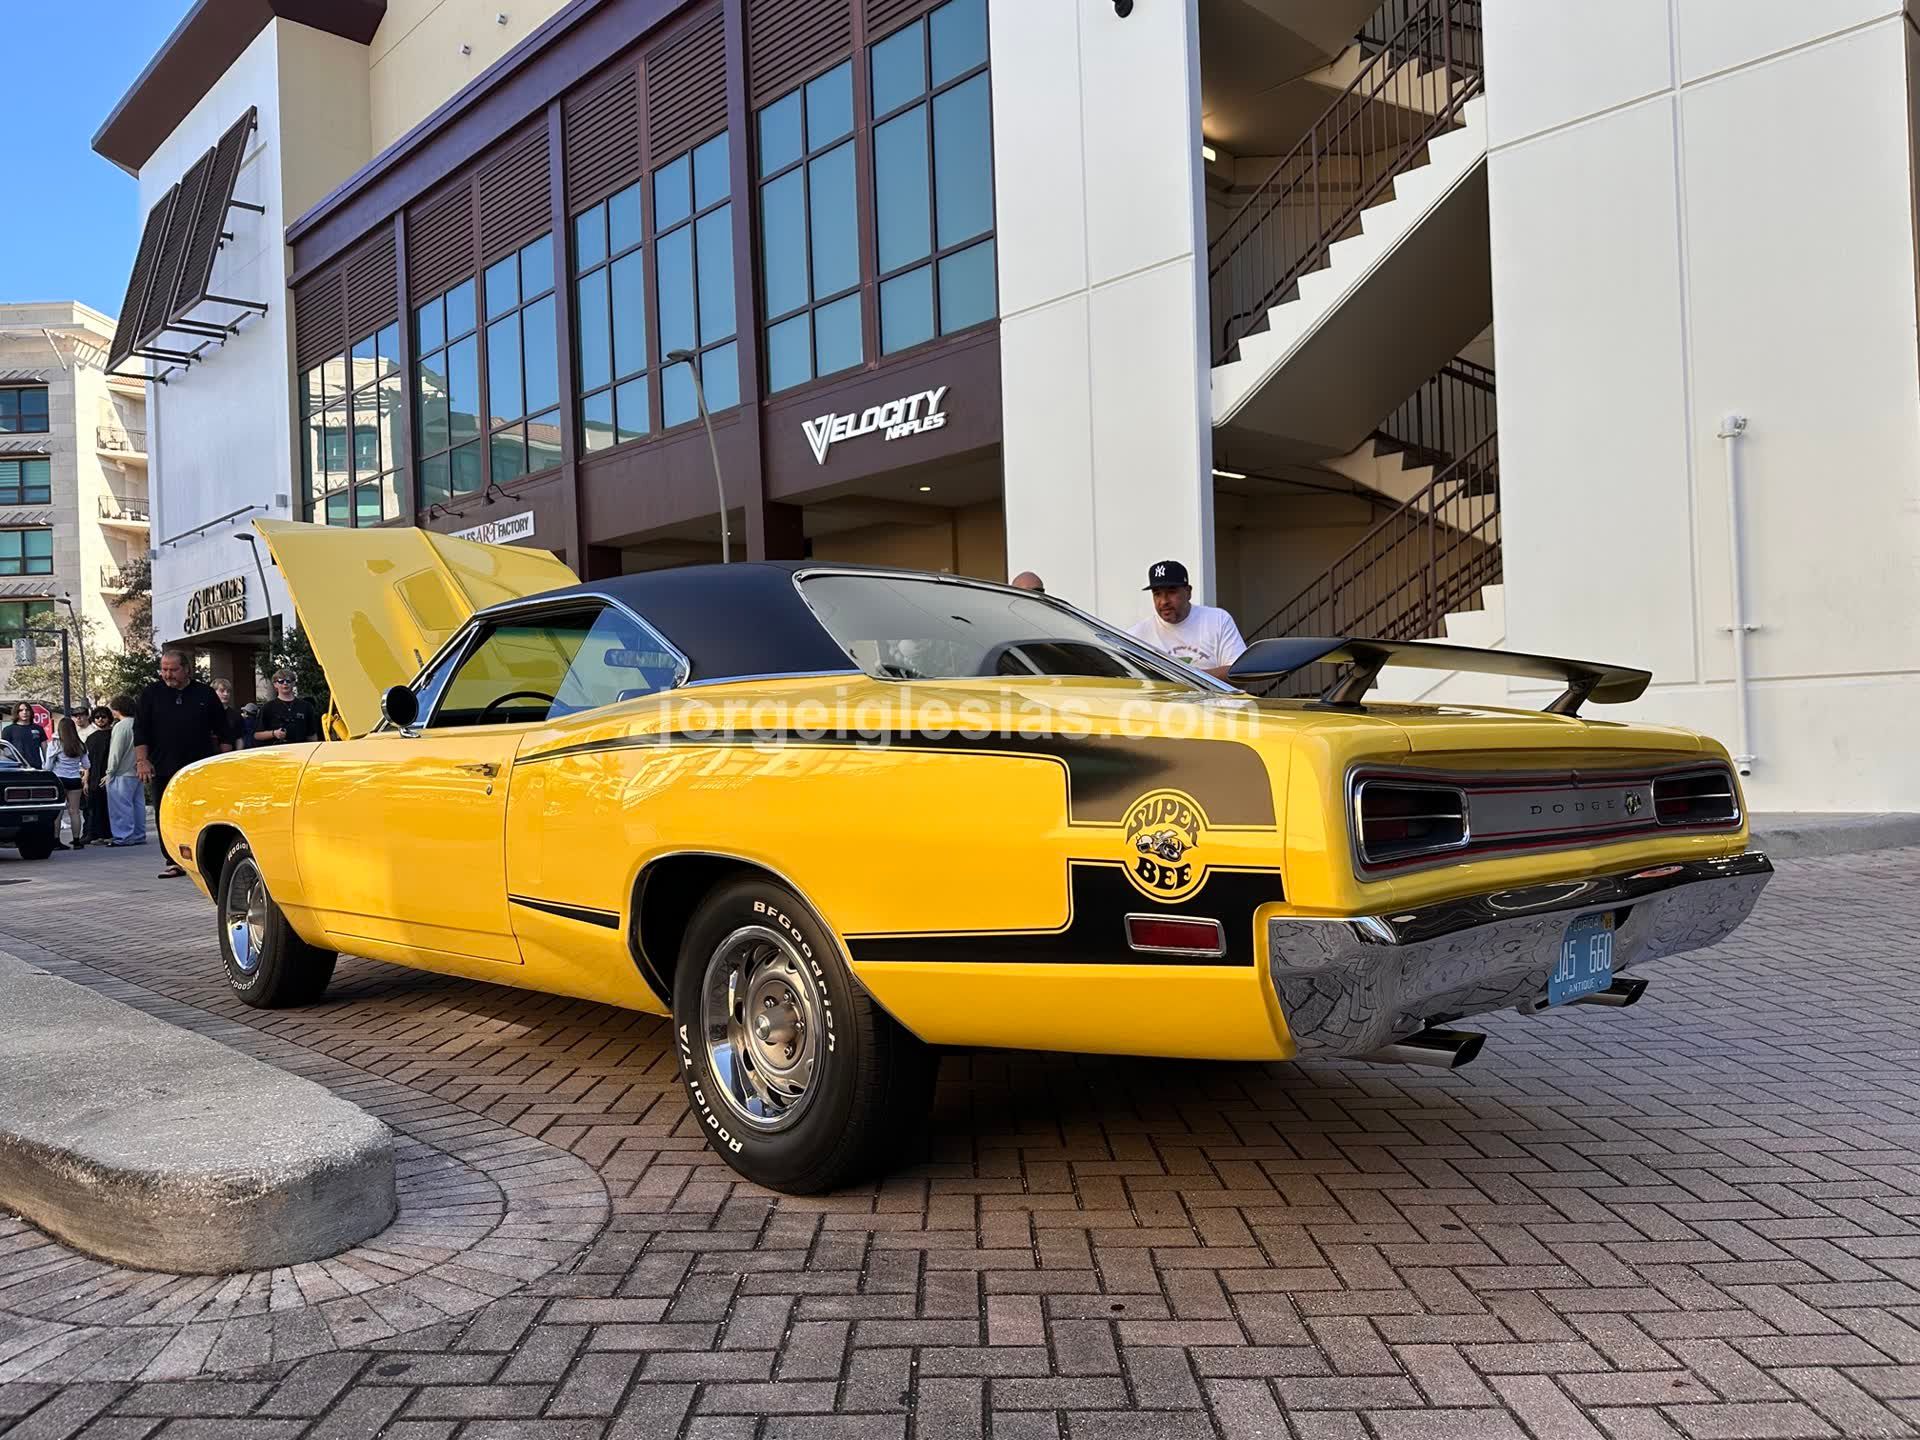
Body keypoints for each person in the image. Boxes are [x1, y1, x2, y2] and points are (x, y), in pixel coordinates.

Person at [135, 649, 230, 878]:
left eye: (172, 669)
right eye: (164, 669)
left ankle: (204, 859)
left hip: (199, 767)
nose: (167, 674)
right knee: (166, 814)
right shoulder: (150, 694)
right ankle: (173, 859)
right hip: (163, 766)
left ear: (186, 669)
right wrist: (142, 761)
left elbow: (223, 730)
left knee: (201, 813)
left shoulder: (204, 694)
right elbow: (140, 731)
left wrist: (224, 763)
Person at [1127, 559, 1247, 681]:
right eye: (1157, 594)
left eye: (1171, 592)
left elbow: (1239, 674)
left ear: (1188, 592)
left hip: (1213, 700)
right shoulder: (1136, 635)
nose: (1164, 601)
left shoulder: (1218, 620)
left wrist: (1185, 677)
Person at [105, 695, 144, 846]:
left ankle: (123, 836)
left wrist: (110, 772)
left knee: (120, 806)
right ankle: (139, 834)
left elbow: (116, 752)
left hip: (122, 772)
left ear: (117, 709)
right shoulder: (139, 724)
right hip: (137, 770)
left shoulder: (120, 727)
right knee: (137, 804)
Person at [47, 716, 88, 850]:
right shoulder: (80, 744)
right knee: (74, 811)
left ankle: (55, 840)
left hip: (59, 779)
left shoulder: (55, 744)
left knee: (58, 812)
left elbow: (48, 766)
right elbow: (87, 764)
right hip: (75, 780)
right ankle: (76, 841)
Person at [254, 670, 320, 745]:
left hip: (300, 751)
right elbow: (257, 735)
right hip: (276, 752)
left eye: (288, 681)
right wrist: (274, 733)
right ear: (275, 684)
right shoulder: (267, 707)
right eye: (281, 681)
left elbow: (312, 735)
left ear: (293, 683)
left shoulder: (306, 706)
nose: (285, 683)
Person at [81, 704, 114, 846]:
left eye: (103, 717)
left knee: (108, 806)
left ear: (109, 718)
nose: (100, 719)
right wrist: (85, 779)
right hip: (93, 775)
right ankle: (94, 834)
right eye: (97, 717)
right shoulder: (91, 738)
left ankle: (109, 834)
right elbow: (87, 760)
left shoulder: (113, 735)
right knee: (93, 806)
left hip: (108, 774)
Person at [3, 702, 47, 768]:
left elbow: (45, 749)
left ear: (31, 712)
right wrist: (19, 760)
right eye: (21, 710)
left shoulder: (38, 729)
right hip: (16, 768)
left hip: (36, 768)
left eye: (27, 710)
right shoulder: (8, 730)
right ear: (16, 713)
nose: (24, 712)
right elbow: (5, 750)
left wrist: (47, 765)